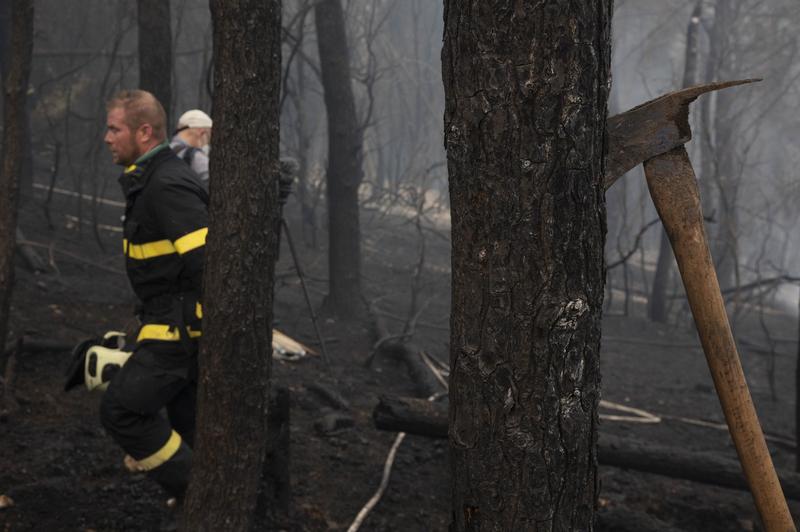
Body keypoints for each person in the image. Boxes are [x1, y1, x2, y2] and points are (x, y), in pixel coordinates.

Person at [101, 89, 208, 500]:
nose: (107, 138)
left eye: (115, 129)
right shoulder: (150, 181)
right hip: (169, 328)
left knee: (121, 411)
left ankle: (199, 493)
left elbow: (209, 265)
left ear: (144, 132)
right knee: (188, 426)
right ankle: (198, 504)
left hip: (177, 338)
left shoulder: (165, 185)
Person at [170, 109, 212, 181]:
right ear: (201, 132)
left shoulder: (163, 150)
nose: (207, 143)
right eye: (208, 136)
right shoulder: (197, 158)